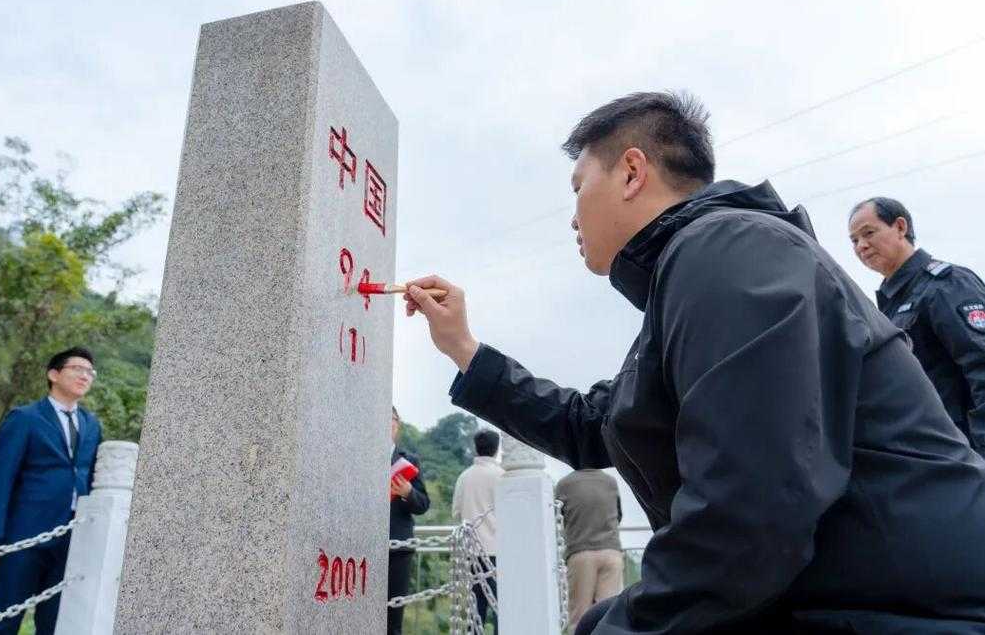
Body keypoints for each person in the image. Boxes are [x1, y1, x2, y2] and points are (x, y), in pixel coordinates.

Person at [404, 91, 985, 633]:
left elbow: (749, 514)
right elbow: (591, 424)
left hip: (913, 606)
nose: (573, 217)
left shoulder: (729, 252)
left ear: (632, 172)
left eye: (579, 186)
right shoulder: (694, 273)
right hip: (839, 588)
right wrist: (463, 347)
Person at [0, 346, 103, 635]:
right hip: (25, 535)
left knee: (56, 620)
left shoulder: (92, 425)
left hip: (72, 537)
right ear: (53, 374)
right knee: (5, 617)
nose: (85, 376)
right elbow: (0, 477)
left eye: (90, 372)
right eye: (77, 369)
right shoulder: (25, 418)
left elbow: (92, 478)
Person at [849, 197, 985, 452]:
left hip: (967, 456)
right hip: (931, 454)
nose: (861, 246)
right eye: (854, 240)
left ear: (900, 227)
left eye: (868, 233)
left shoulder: (946, 285)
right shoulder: (887, 307)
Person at [555, 470, 623, 631]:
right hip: (612, 552)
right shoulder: (610, 482)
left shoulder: (564, 484)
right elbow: (619, 516)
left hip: (581, 552)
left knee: (579, 617)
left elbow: (557, 515)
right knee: (609, 617)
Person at [452, 428, 503, 631]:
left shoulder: (465, 477)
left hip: (472, 553)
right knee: (501, 608)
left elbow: (456, 512)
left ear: (476, 448)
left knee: (476, 610)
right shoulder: (503, 476)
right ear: (497, 448)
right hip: (499, 552)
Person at [387, 405, 430, 635]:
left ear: (398, 424)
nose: (386, 423)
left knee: (393, 621)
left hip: (398, 548)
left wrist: (408, 493)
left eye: (391, 418)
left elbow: (423, 504)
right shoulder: (360, 459)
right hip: (363, 546)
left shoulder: (409, 460)